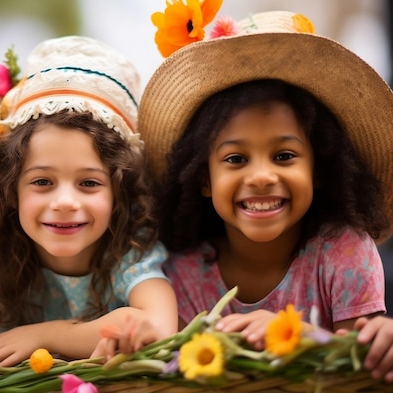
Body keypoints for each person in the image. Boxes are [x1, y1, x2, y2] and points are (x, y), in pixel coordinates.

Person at [139, 4, 393, 382]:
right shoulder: (180, 276)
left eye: (284, 156)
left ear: (319, 169)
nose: (260, 176)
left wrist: (306, 340)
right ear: (203, 179)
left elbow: (361, 371)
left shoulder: (344, 253)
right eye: (236, 158)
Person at [0, 35, 177, 367]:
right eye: (42, 182)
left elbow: (160, 327)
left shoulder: (130, 255)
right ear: (10, 192)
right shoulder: (2, 264)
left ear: (119, 193)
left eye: (89, 183)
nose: (65, 201)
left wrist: (44, 335)